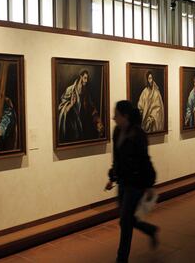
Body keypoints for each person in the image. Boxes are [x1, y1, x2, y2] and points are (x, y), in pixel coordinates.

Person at [105, 100, 159, 263]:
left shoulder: (138, 135)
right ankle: (150, 230)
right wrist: (112, 178)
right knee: (128, 219)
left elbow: (145, 160)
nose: (114, 118)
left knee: (125, 222)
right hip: (122, 182)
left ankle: (121, 259)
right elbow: (117, 158)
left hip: (135, 184)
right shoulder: (116, 132)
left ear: (125, 116)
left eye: (116, 115)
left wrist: (149, 184)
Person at [58, 70, 104, 143]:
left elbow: (92, 108)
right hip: (71, 126)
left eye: (87, 78)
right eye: (85, 78)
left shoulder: (86, 92)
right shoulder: (70, 90)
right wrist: (71, 105)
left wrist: (98, 121)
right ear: (81, 77)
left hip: (82, 125)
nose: (86, 80)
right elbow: (61, 109)